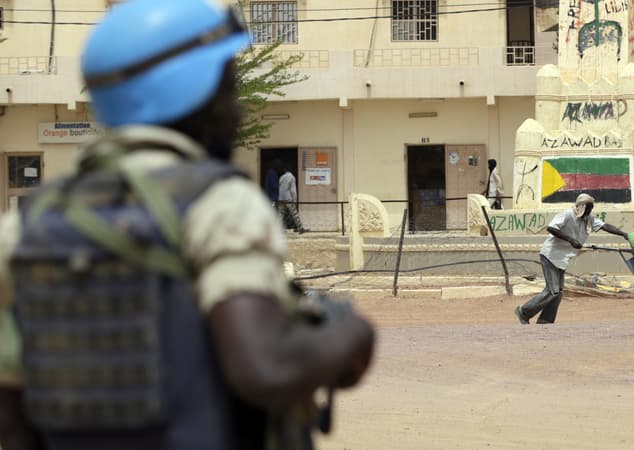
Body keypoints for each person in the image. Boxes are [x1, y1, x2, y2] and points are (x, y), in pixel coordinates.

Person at [0, 1, 374, 450]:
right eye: (229, 92)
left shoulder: (25, 227)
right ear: (196, 95)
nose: (236, 114)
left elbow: (13, 415)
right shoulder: (220, 205)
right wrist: (352, 333)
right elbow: (264, 368)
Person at [514, 193, 628, 325]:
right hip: (550, 255)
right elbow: (551, 228)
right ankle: (524, 312)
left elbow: (605, 226)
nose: (590, 211)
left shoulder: (588, 219)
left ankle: (545, 320)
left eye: (591, 208)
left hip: (562, 258)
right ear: (581, 206)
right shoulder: (568, 214)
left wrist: (624, 234)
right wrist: (571, 240)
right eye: (588, 208)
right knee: (552, 291)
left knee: (559, 293)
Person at [278, 161, 307, 233]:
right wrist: (295, 199)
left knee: (281, 214)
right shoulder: (291, 177)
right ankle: (300, 228)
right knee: (294, 213)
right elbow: (293, 190)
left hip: (281, 198)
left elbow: (279, 187)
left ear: (285, 170)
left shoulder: (281, 177)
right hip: (288, 198)